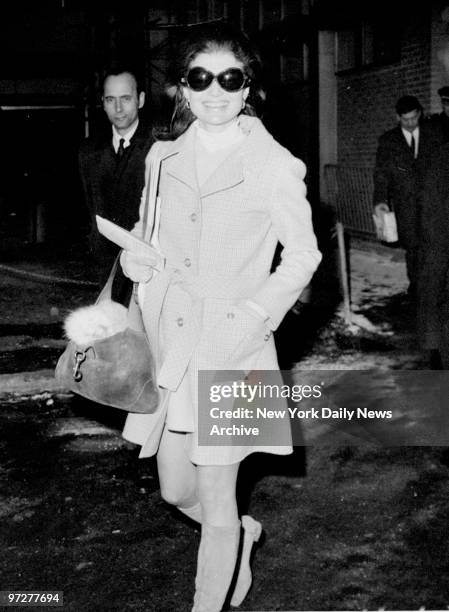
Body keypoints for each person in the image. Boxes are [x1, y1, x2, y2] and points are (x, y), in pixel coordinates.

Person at [119, 23, 321, 611]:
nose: (215, 92)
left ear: (248, 87)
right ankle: (242, 534)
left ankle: (212, 586)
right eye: (200, 78)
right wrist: (136, 255)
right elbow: (148, 234)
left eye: (229, 79)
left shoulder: (273, 164)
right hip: (173, 342)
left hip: (235, 345)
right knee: (176, 489)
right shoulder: (162, 156)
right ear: (183, 87)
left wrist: (257, 312)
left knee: (218, 499)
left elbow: (304, 254)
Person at [78, 66, 153, 301]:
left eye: (126, 99)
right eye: (110, 100)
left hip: (147, 268)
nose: (118, 108)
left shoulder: (160, 147)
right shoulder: (89, 151)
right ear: (103, 102)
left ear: (140, 100)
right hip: (104, 269)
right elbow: (91, 208)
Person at [373, 95, 440, 298]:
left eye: (413, 118)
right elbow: (381, 174)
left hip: (432, 205)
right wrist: (381, 201)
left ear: (419, 114)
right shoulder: (388, 141)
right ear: (397, 117)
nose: (410, 123)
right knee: (413, 248)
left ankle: (431, 288)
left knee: (432, 247)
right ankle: (417, 288)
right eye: (405, 119)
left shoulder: (434, 136)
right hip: (406, 206)